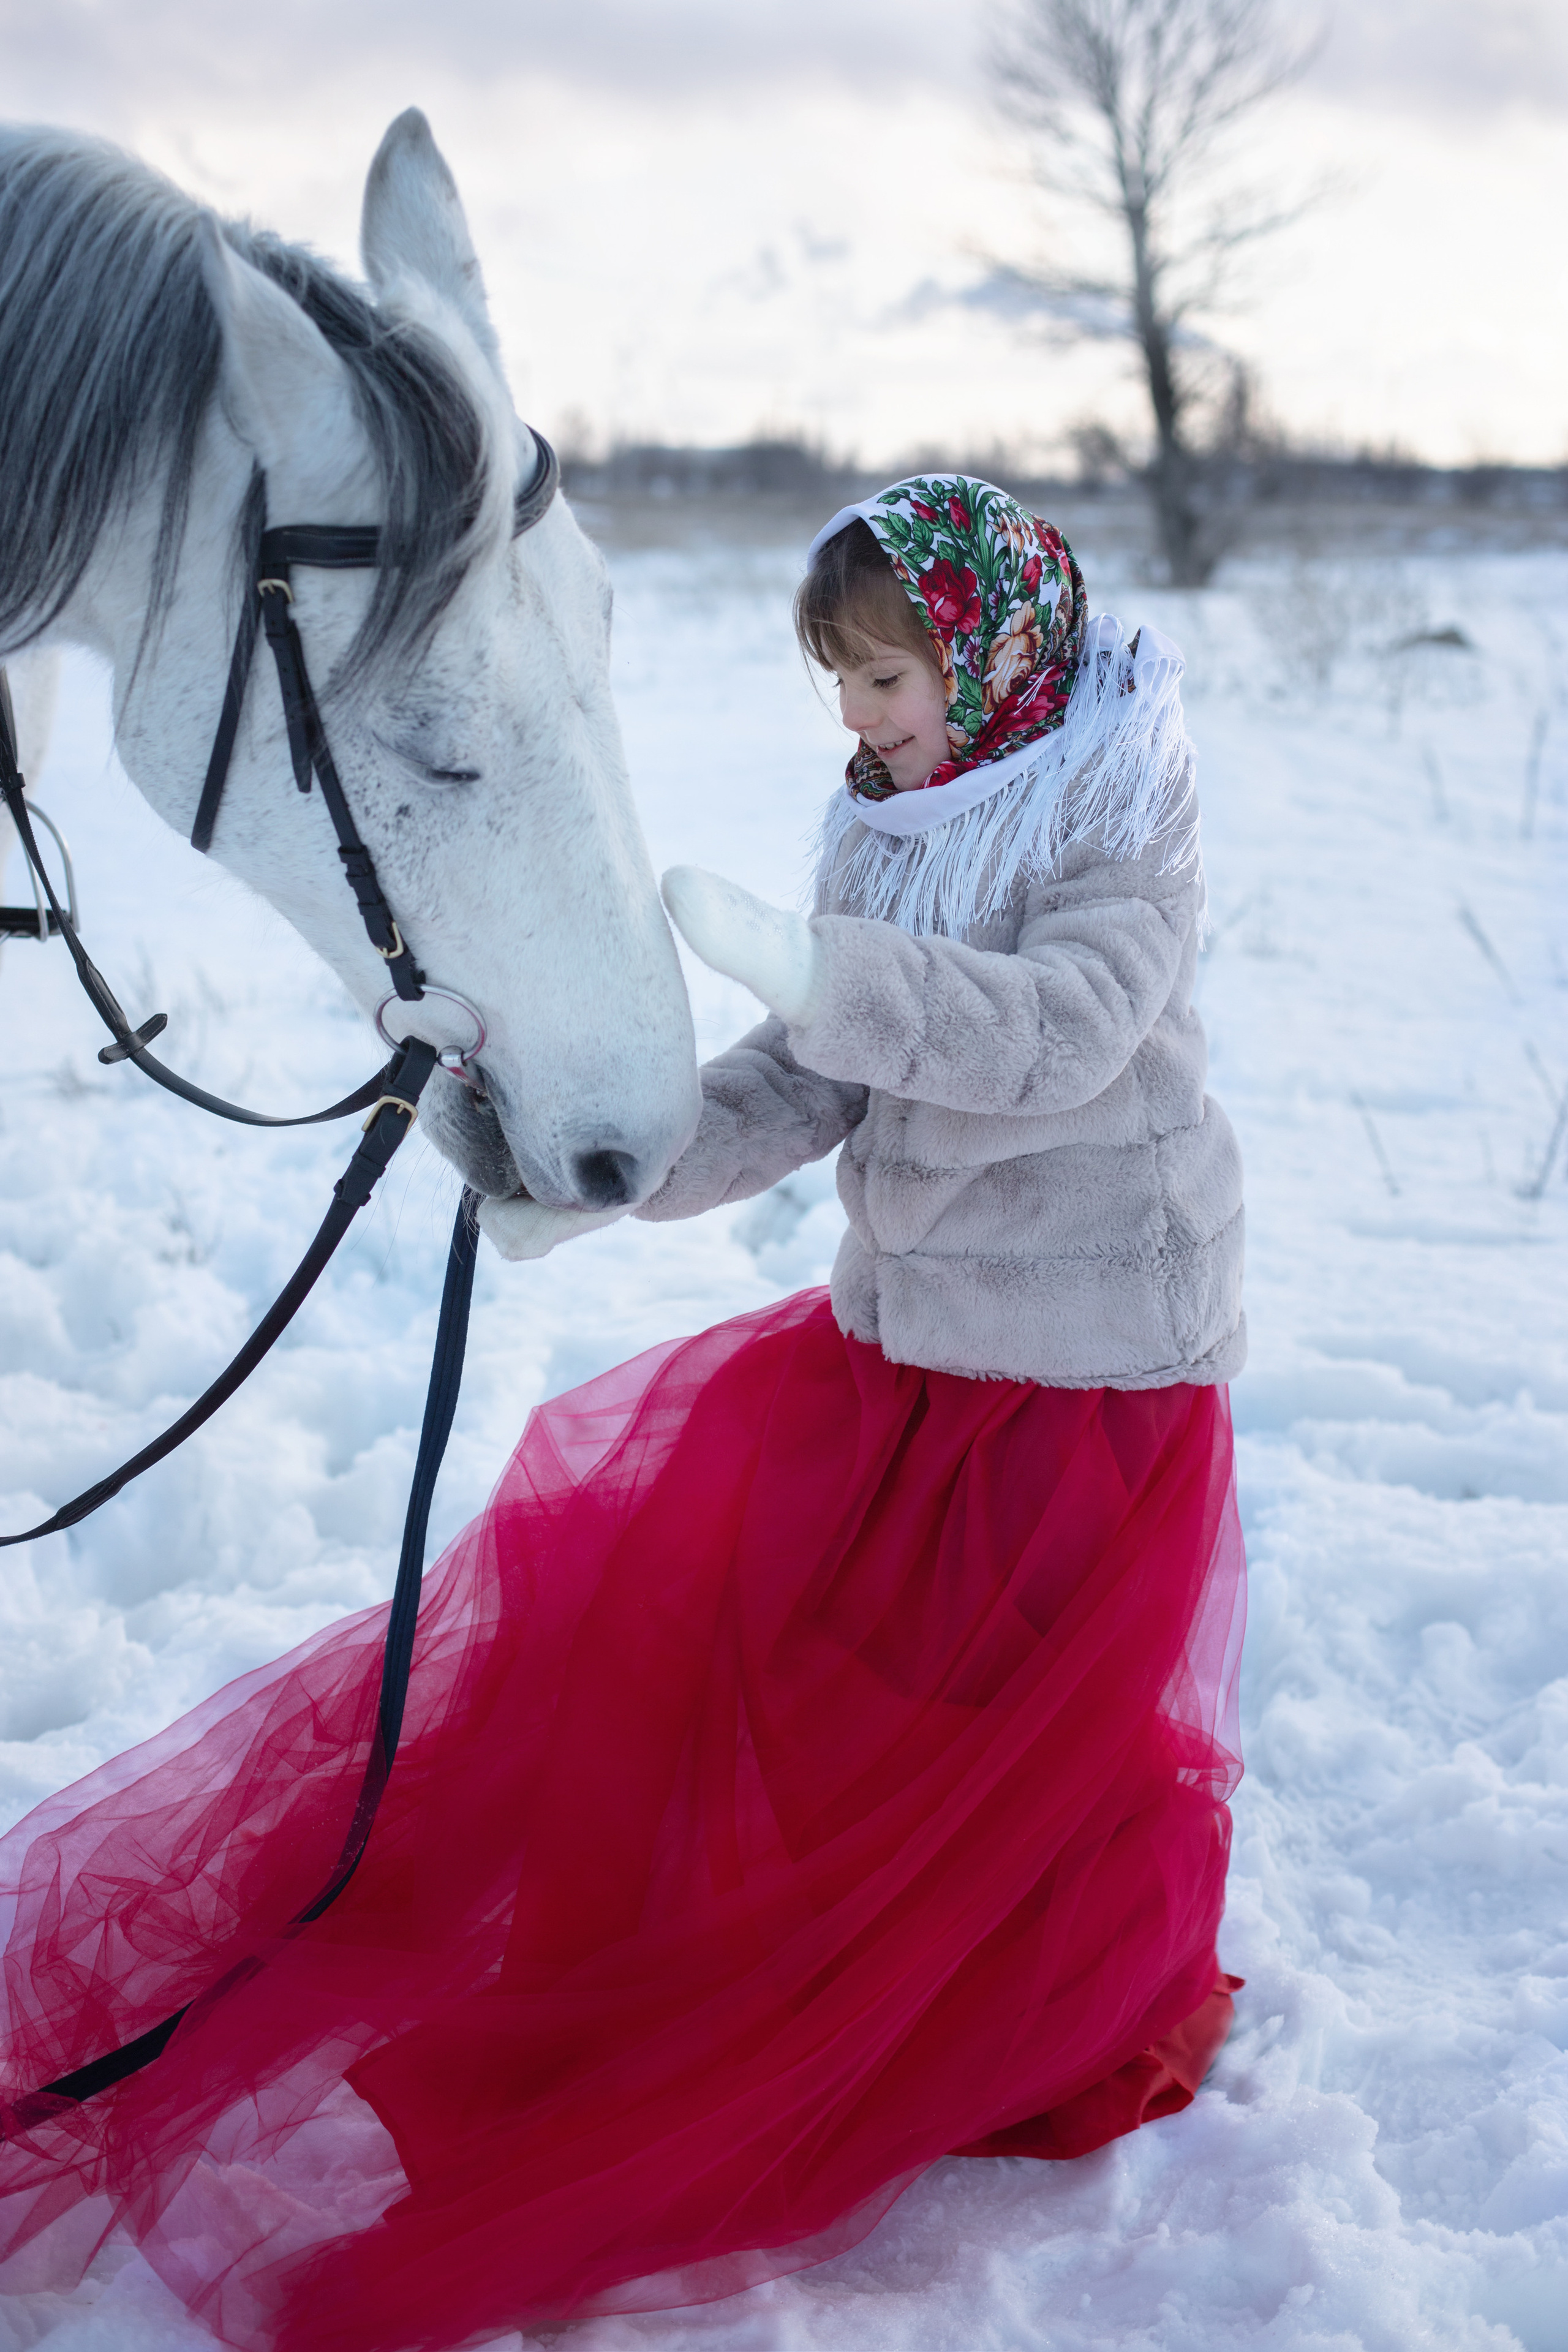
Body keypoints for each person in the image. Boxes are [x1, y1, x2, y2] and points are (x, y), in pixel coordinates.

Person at [0, 476, 1246, 2352]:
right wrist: (607, 1163)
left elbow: (1050, 1033)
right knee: (757, 1662)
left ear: (989, 652)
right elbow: (807, 1078)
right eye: (840, 684)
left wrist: (836, 975)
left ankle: (994, 2012)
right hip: (911, 1349)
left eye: (887, 680)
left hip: (1085, 1377)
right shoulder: (895, 815)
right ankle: (819, 1988)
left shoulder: (1113, 816)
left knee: (979, 1742)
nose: (860, 723)